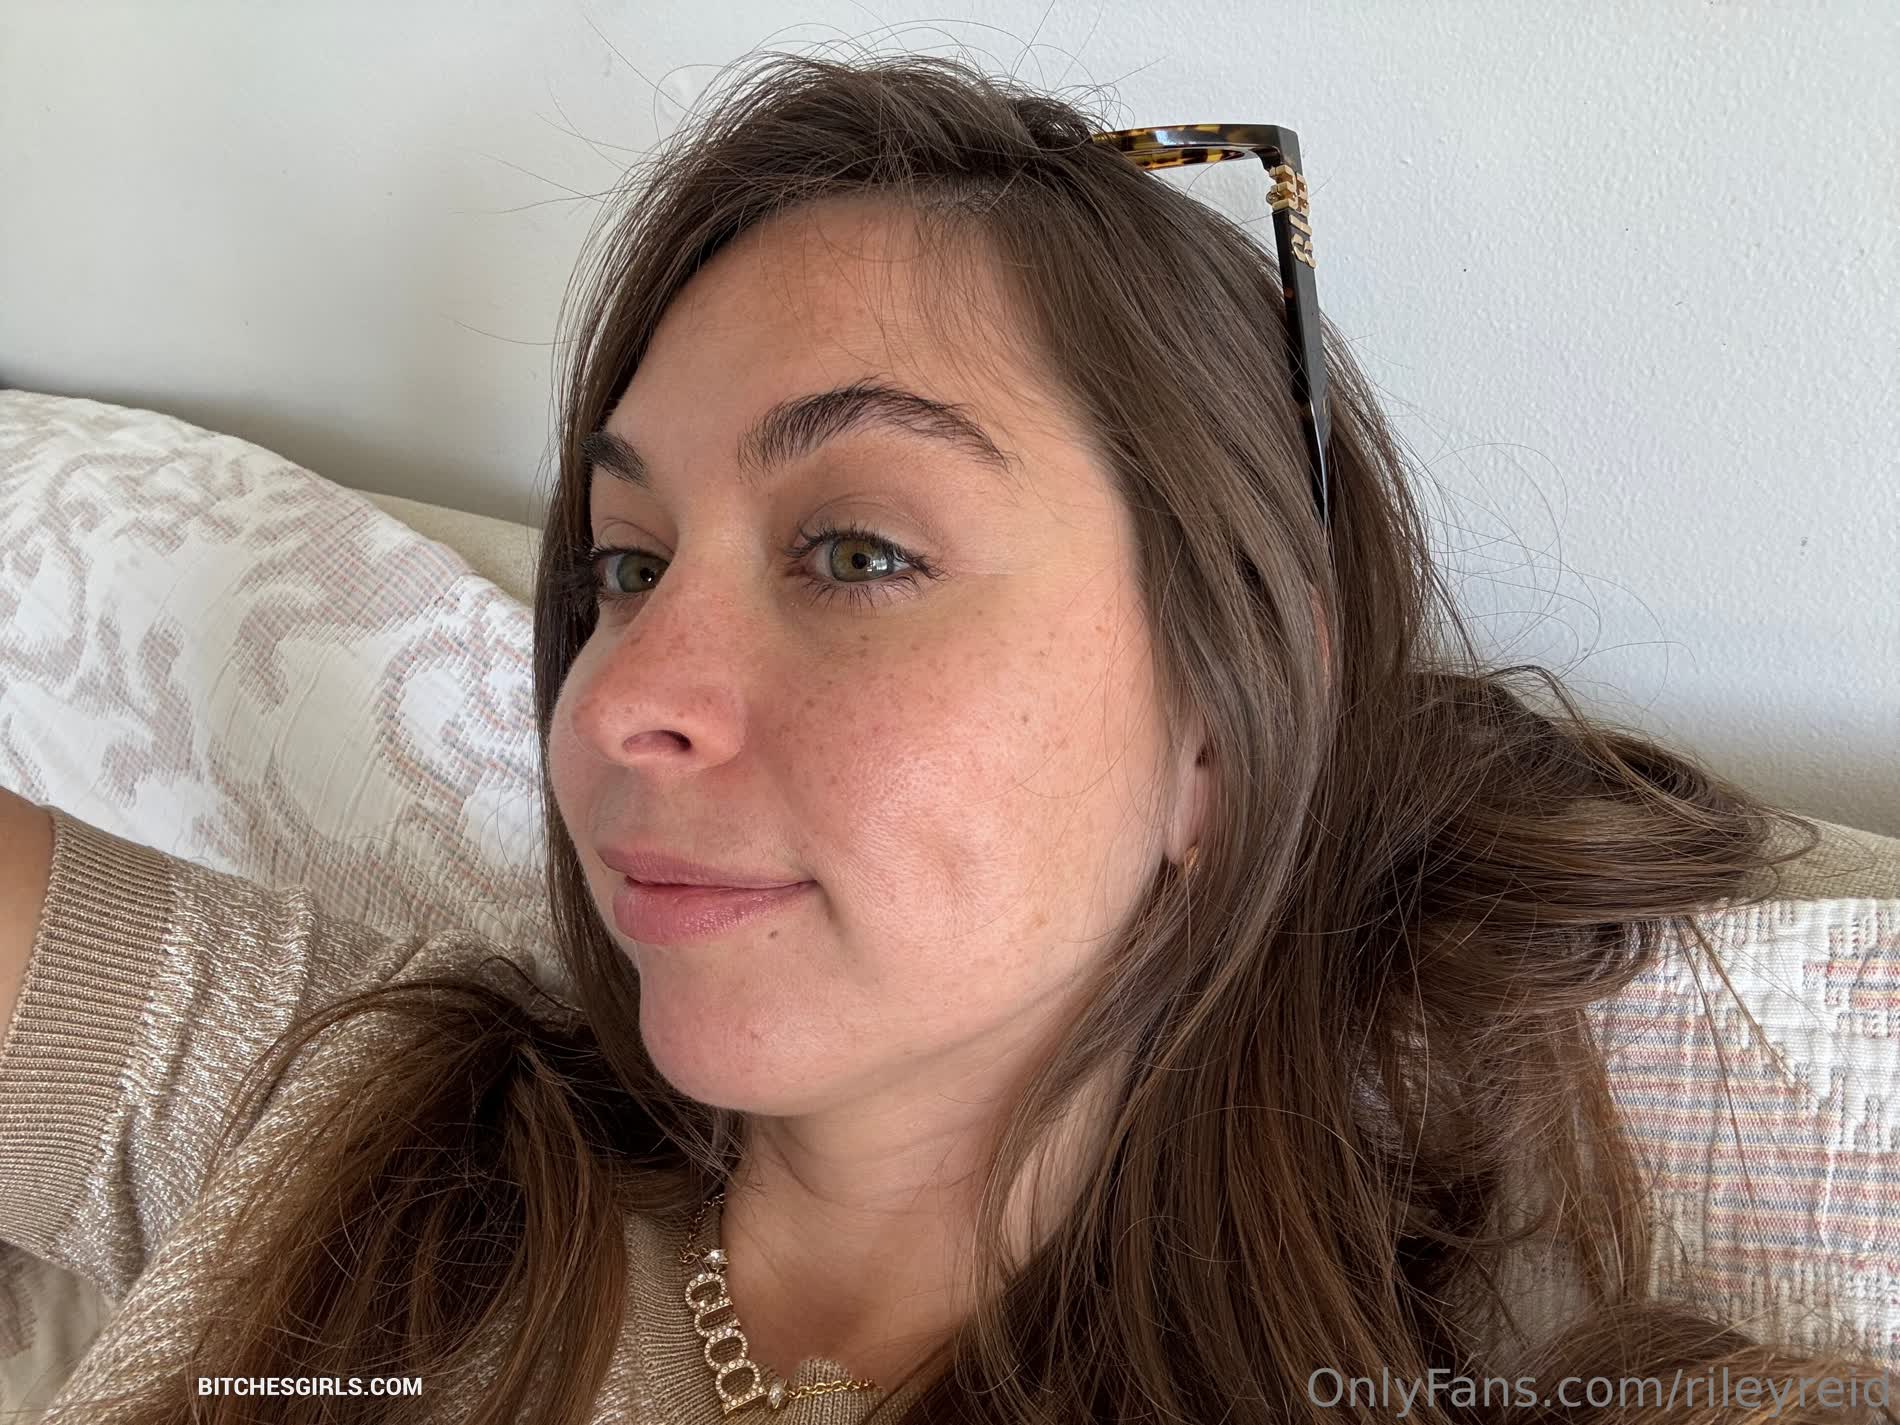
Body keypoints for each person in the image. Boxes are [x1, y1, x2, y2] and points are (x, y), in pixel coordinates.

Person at [1, 48, 1890, 1425]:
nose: (621, 694)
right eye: (627, 563)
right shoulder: (341, 1109)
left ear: (1227, 722)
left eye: (856, 551)